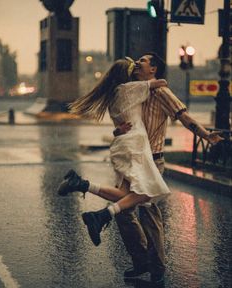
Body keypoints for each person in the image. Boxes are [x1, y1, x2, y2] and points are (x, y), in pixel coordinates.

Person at [112, 52, 223, 283]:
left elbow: (183, 116)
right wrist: (118, 132)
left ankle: (157, 267)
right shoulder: (134, 90)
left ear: (153, 69)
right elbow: (123, 125)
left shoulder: (161, 92)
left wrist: (205, 135)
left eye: (143, 60)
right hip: (132, 160)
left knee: (149, 214)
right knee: (121, 211)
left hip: (152, 159)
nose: (138, 62)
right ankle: (142, 260)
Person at [57, 57, 172, 251]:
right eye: (133, 66)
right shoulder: (130, 89)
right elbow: (161, 82)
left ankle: (82, 184)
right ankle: (102, 215)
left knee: (125, 195)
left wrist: (118, 131)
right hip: (134, 147)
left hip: (123, 144)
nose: (137, 66)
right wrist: (144, 76)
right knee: (146, 192)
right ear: (127, 74)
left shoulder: (115, 93)